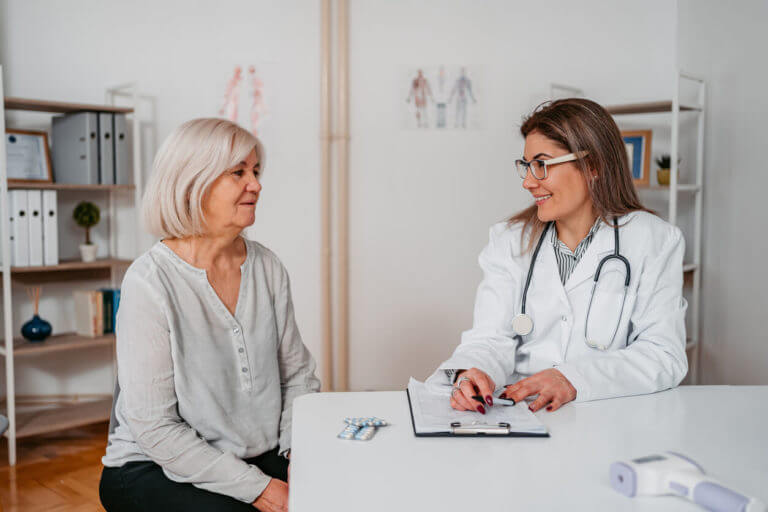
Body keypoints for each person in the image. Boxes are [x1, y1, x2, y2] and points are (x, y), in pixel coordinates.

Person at [99, 118, 320, 512]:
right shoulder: (150, 281)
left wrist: (294, 456)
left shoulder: (267, 267)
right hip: (151, 464)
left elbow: (298, 376)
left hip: (253, 452)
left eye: (255, 171)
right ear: (193, 183)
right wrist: (258, 488)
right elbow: (155, 429)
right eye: (238, 172)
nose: (256, 184)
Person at [428, 98, 688, 414]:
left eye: (542, 164)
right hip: (520, 414)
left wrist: (572, 378)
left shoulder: (654, 240)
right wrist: (473, 372)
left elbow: (663, 354)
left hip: (609, 416)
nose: (527, 181)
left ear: (593, 166)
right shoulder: (510, 240)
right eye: (525, 166)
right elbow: (488, 339)